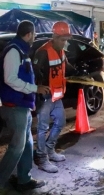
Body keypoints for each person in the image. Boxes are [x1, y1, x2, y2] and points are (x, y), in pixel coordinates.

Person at [0, 20, 49, 191]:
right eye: (34, 34)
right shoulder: (14, 51)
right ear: (28, 34)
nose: (35, 37)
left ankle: (24, 179)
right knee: (17, 147)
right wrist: (35, 89)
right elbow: (10, 79)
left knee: (27, 145)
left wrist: (31, 101)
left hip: (23, 105)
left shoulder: (22, 50)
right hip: (14, 106)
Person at [33, 21, 77, 173]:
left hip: (57, 96)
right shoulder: (43, 52)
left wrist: (79, 74)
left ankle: (49, 150)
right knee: (42, 128)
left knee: (60, 123)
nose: (64, 43)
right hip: (45, 97)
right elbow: (34, 73)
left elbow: (67, 66)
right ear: (54, 36)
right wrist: (36, 89)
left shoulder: (61, 52)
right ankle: (41, 157)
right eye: (62, 39)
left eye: (66, 40)